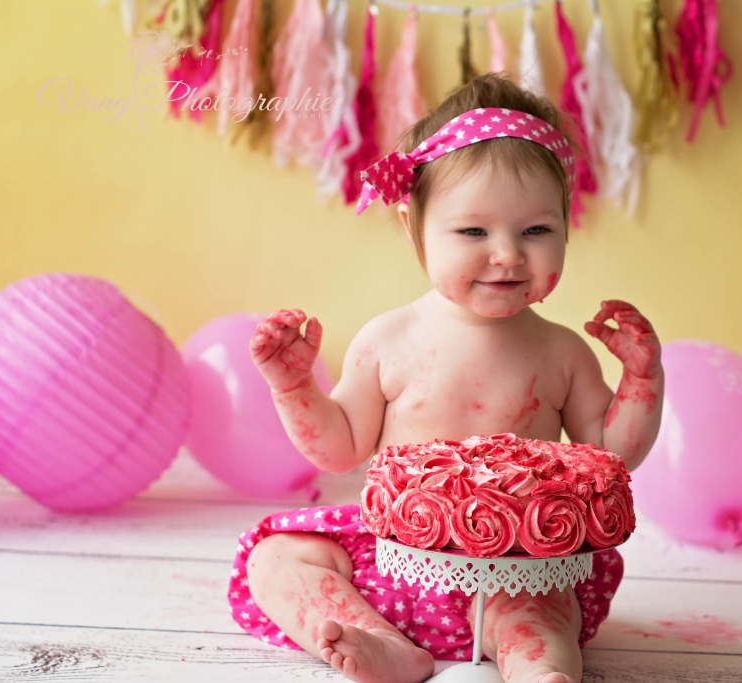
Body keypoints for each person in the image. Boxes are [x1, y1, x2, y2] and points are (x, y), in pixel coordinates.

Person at [228, 73, 664, 683]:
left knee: (539, 620)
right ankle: (380, 640)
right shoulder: (388, 340)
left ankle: (541, 671)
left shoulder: (563, 353)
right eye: (473, 231)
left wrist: (642, 378)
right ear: (414, 228)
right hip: (394, 563)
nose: (509, 254)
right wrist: (294, 387)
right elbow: (340, 449)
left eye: (536, 230)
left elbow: (612, 457)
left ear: (566, 226)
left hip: (519, 568)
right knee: (277, 559)